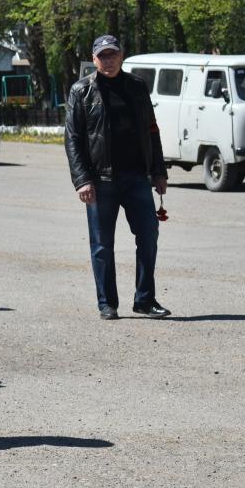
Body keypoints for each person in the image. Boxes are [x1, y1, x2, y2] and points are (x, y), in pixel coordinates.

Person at [65, 34, 170, 320]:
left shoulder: (136, 87)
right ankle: (107, 303)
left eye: (112, 55)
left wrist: (158, 171)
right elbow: (73, 139)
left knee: (148, 236)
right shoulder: (81, 91)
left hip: (136, 177)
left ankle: (145, 300)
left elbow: (152, 130)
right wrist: (82, 179)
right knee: (102, 244)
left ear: (121, 56)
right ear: (94, 58)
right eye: (102, 56)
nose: (108, 61)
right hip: (100, 180)